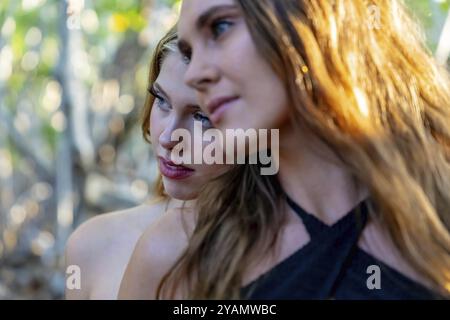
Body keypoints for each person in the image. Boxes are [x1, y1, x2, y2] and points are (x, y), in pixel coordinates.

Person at [120, 0, 450, 299]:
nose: (195, 74)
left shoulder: (436, 212)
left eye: (220, 28)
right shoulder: (180, 251)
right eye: (192, 51)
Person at [65, 27, 230, 299]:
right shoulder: (90, 245)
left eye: (203, 117)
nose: (168, 137)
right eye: (162, 101)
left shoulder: (291, 253)